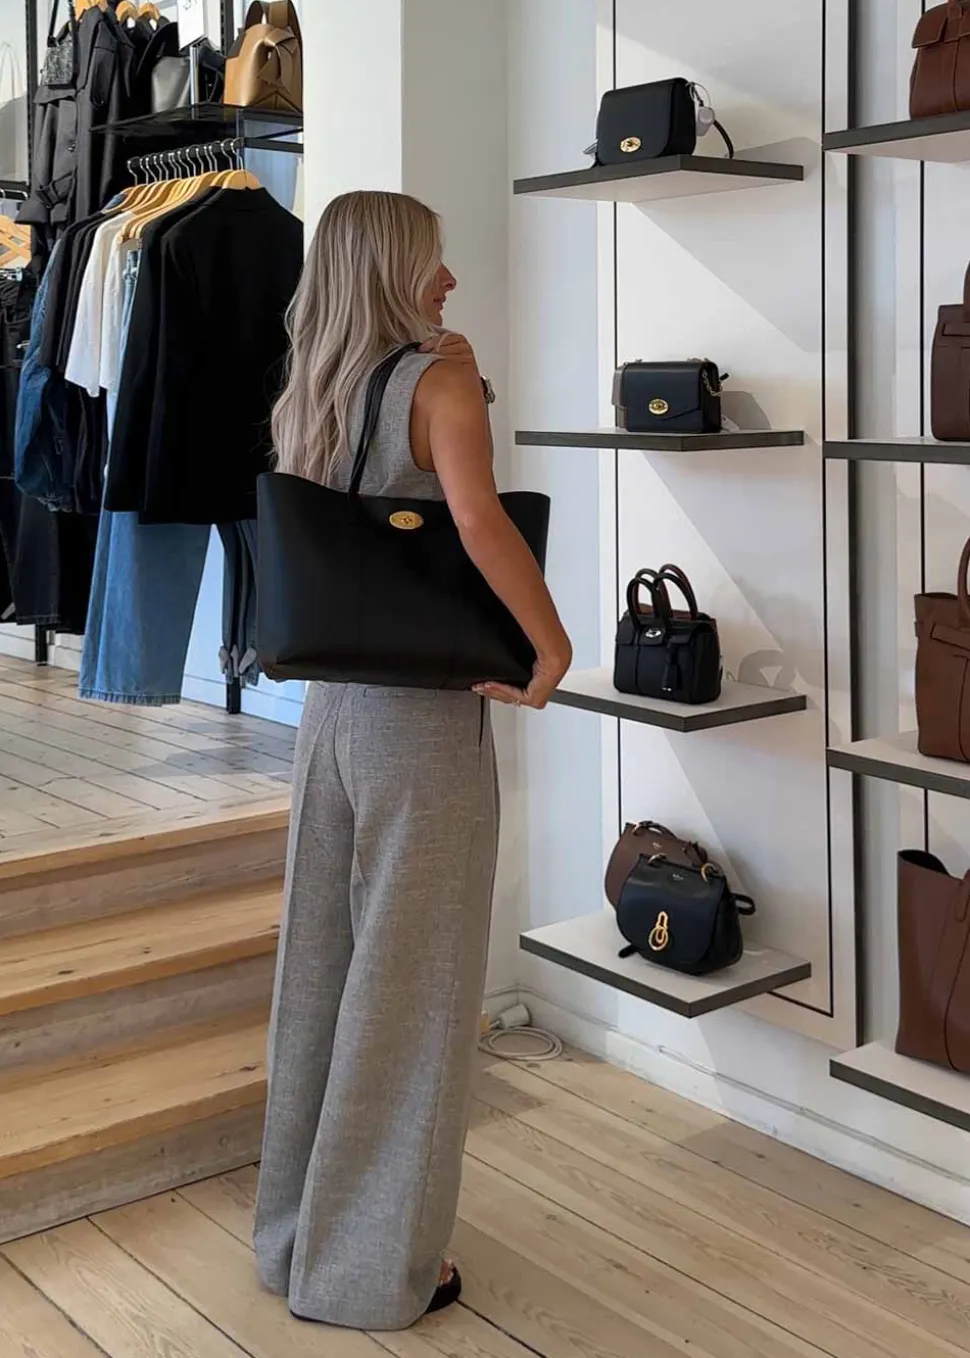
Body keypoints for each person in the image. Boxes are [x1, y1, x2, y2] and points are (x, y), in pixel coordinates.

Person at [252, 190, 572, 1331]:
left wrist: (468, 382)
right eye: (433, 260)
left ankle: (295, 1239)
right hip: (420, 718)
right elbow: (477, 523)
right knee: (417, 987)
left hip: (332, 706)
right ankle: (372, 1268)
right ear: (393, 267)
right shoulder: (435, 384)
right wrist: (550, 646)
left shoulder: (312, 386)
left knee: (322, 974)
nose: (448, 279)